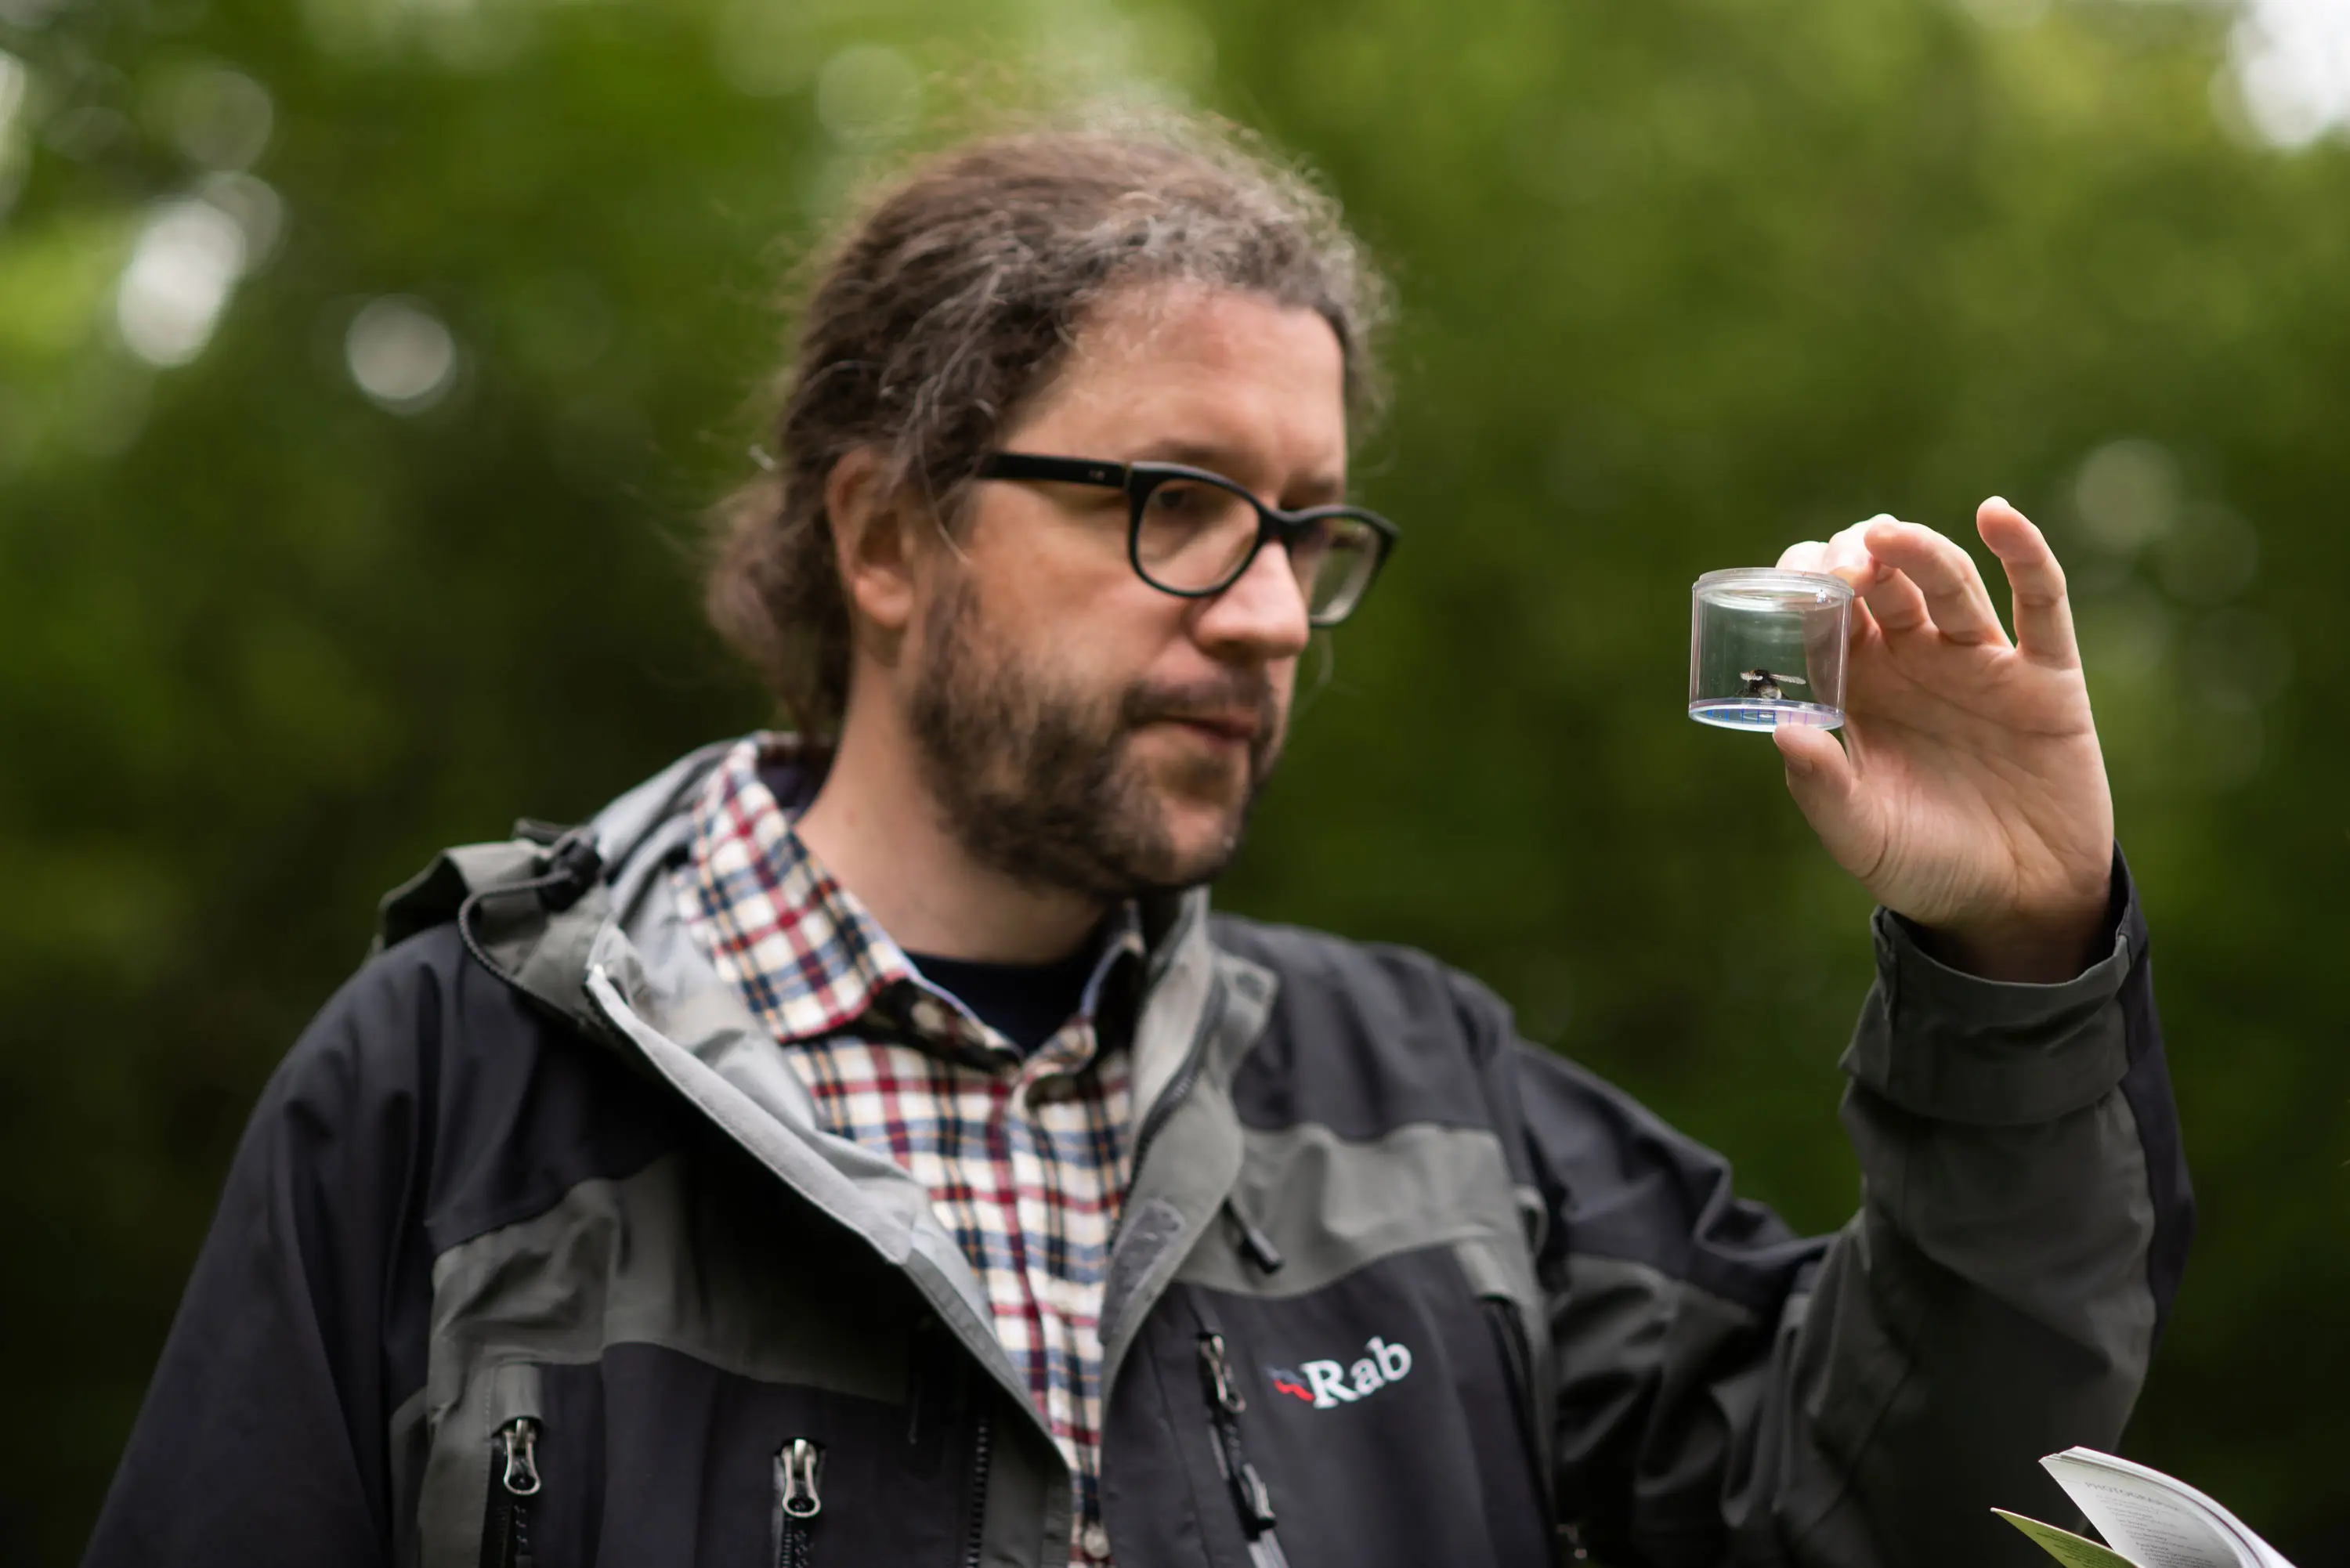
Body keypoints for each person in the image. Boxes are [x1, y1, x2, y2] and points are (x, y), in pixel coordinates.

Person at [85, 120, 2189, 1568]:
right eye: (1176, 503)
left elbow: (1928, 1514)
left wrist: (2015, 961)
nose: (1270, 609)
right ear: (891, 533)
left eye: (1308, 530)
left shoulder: (1431, 1111)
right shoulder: (449, 1093)